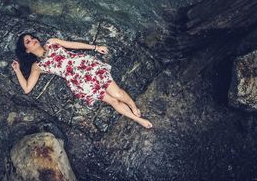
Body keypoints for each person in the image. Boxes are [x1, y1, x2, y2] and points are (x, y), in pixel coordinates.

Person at [12, 33, 153, 128]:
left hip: (88, 67)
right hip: (80, 82)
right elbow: (27, 88)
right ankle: (138, 119)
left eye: (32, 37)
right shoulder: (37, 66)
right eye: (28, 42)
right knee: (113, 101)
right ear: (27, 51)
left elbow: (73, 45)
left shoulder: (51, 43)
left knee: (117, 94)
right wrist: (18, 70)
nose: (33, 40)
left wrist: (96, 47)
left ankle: (133, 107)